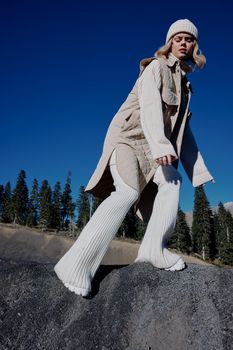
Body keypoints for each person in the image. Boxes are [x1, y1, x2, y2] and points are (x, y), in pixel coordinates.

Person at [54, 19, 214, 297]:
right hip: (129, 140)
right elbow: (151, 105)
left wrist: (198, 171)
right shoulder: (156, 67)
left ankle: (154, 249)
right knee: (127, 192)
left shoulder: (185, 87)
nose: (184, 43)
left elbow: (183, 132)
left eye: (189, 40)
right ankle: (74, 264)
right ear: (170, 42)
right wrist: (162, 144)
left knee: (172, 181)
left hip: (154, 150)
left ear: (194, 46)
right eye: (178, 39)